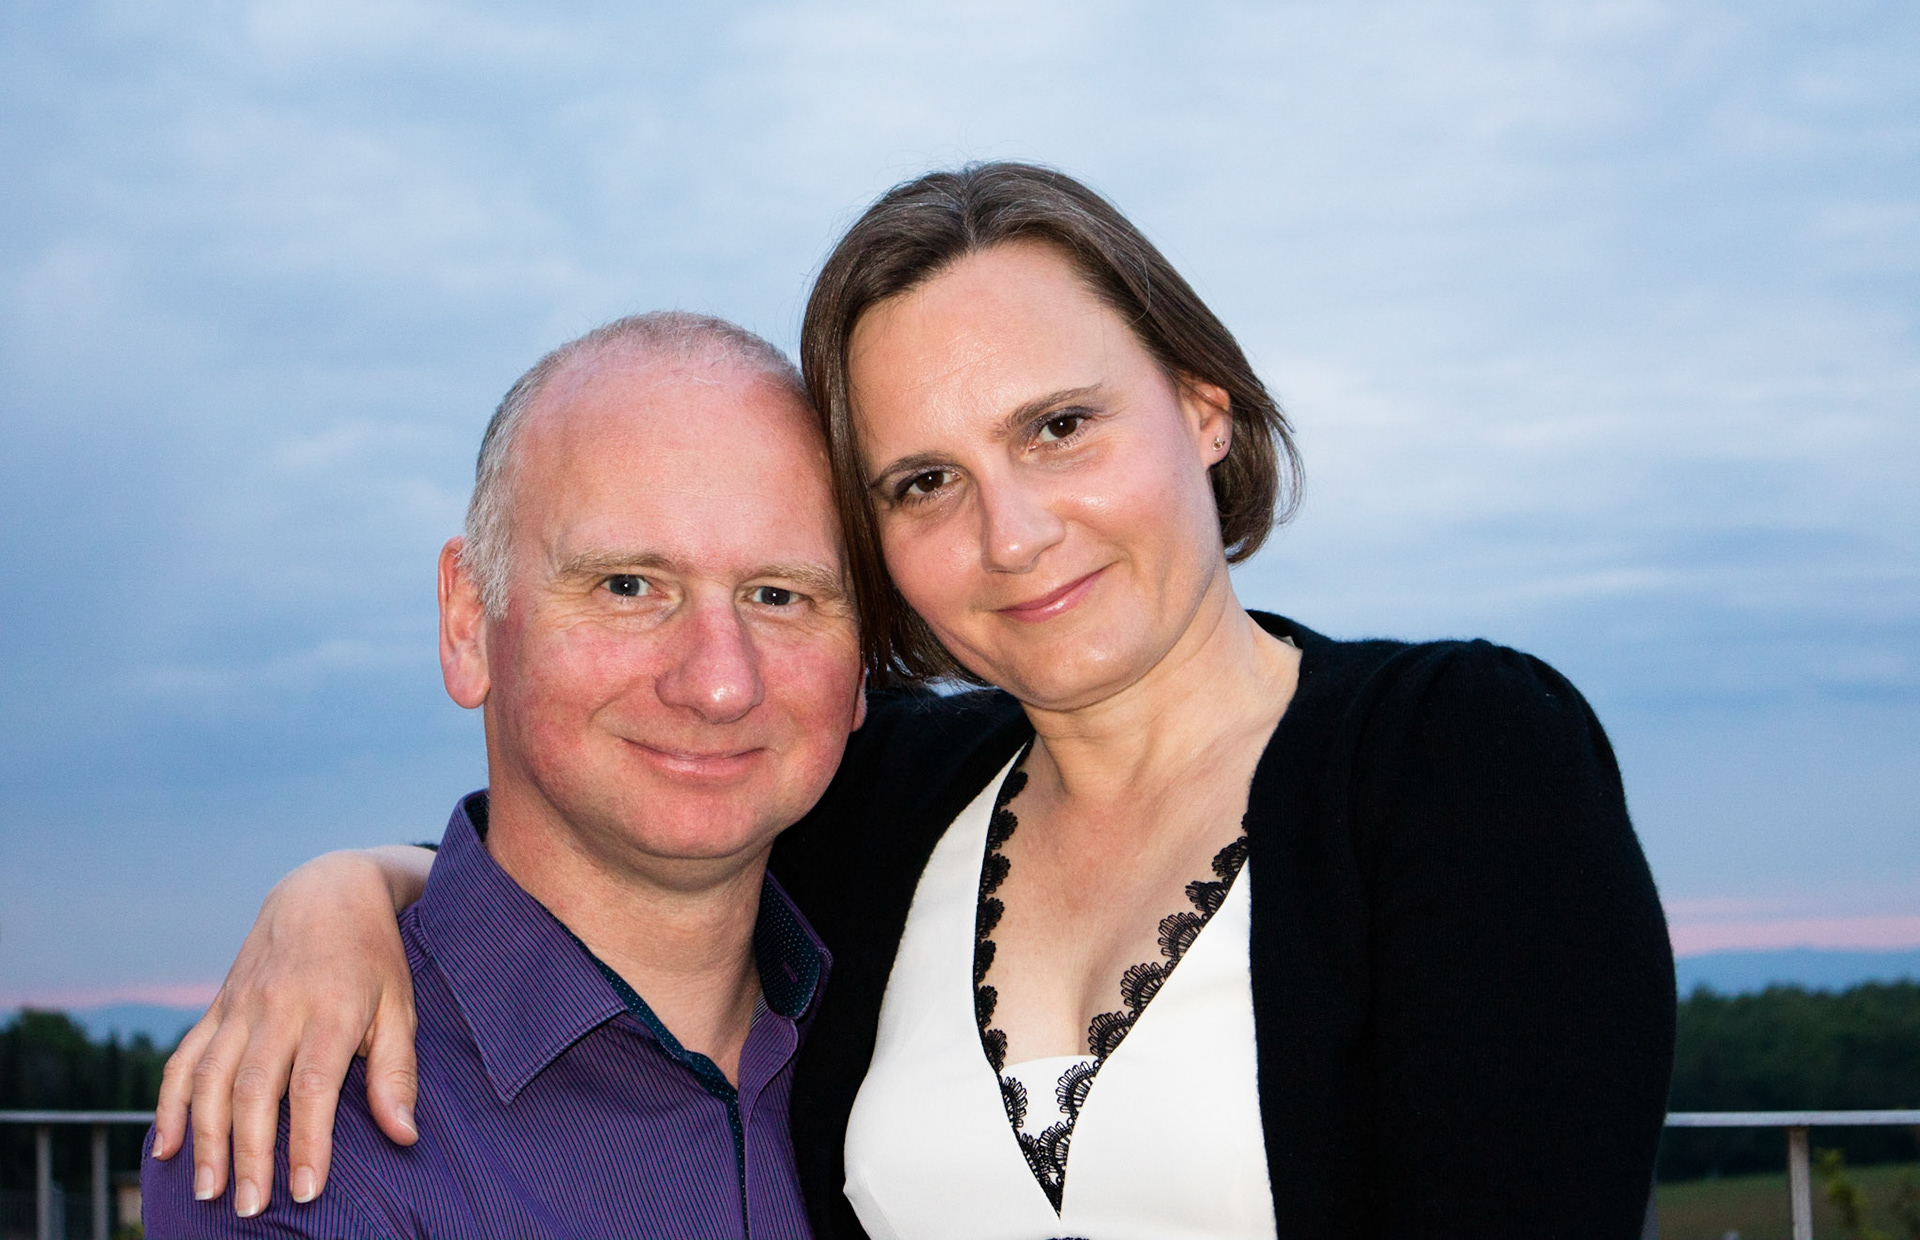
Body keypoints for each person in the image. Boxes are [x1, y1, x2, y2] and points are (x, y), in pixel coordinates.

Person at [156, 163, 1677, 1239]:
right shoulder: (891, 807)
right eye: (926, 481)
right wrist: (349, 896)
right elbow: (633, 839)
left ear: (1203, 407)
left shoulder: (1458, 764)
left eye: (1061, 426)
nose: (1012, 532)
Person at [140, 313, 867, 1237]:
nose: (720, 681)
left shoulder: (924, 1004)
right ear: (468, 621)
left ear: (863, 670)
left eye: (779, 596)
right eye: (628, 586)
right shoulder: (309, 1137)